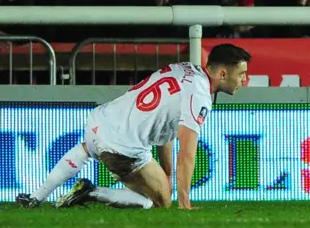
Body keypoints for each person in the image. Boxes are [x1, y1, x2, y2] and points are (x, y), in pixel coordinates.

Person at [16, 43, 251, 210]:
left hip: (100, 120)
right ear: (222, 73)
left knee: (86, 149)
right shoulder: (200, 96)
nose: (244, 80)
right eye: (241, 74)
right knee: (161, 201)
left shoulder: (185, 69)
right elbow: (188, 153)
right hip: (122, 146)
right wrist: (184, 200)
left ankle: (36, 197)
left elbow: (165, 130)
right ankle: (92, 192)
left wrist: (167, 173)